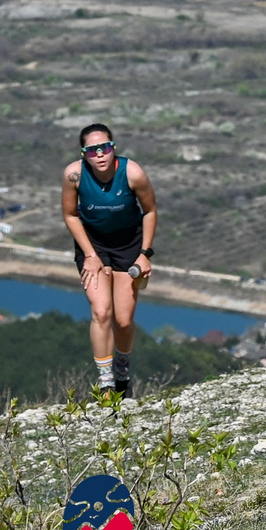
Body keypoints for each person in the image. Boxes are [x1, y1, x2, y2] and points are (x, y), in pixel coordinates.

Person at [60, 123, 157, 399]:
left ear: (113, 148)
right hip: (94, 246)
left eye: (105, 148)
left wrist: (145, 254)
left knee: (123, 321)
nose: (100, 155)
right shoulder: (73, 175)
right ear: (83, 153)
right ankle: (106, 384)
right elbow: (70, 214)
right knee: (101, 312)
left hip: (129, 245)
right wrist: (90, 254)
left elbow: (150, 211)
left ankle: (123, 373)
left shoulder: (132, 172)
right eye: (92, 150)